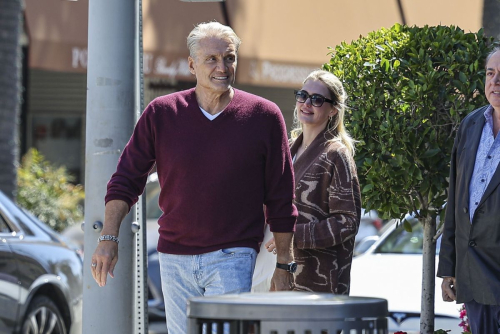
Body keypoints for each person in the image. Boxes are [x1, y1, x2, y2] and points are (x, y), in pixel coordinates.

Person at [90, 21, 297, 334]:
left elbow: (282, 196)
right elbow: (126, 179)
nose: (222, 67)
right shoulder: (162, 113)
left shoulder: (263, 116)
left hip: (233, 255)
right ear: (191, 64)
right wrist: (108, 237)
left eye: (229, 58)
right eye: (211, 59)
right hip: (174, 259)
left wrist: (284, 265)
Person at [266, 69, 361, 294]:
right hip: (275, 270)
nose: (307, 103)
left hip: (316, 282)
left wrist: (292, 235)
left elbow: (348, 222)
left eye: (317, 99)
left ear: (333, 110)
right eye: (303, 95)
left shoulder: (336, 154)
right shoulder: (288, 150)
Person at [438, 47, 500, 333]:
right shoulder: (471, 124)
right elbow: (456, 199)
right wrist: (448, 266)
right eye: (490, 73)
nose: (494, 82)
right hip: (472, 273)